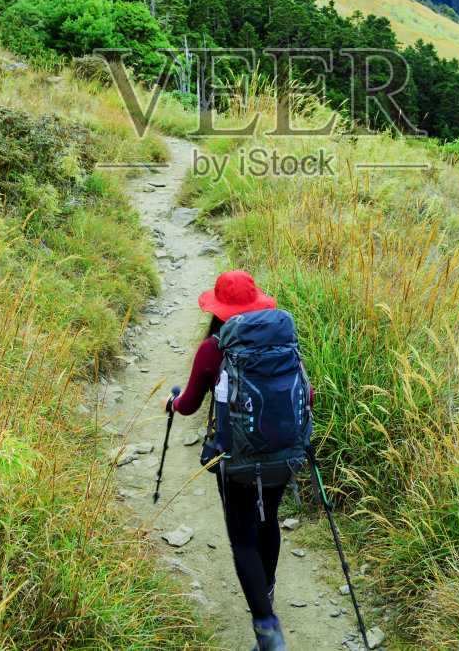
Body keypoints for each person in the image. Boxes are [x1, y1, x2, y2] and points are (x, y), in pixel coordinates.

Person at [167, 269, 304, 651]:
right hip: (282, 453)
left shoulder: (213, 349)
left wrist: (171, 403)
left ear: (217, 309)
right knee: (268, 519)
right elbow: (306, 397)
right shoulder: (284, 342)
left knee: (243, 540)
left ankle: (267, 629)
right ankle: (267, 590)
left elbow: (189, 404)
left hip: (236, 461)